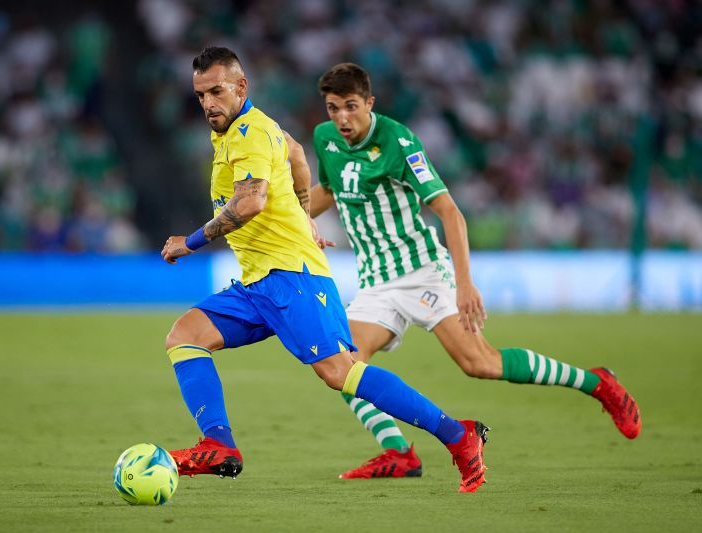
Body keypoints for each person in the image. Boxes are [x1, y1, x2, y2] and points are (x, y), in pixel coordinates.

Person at [161, 47, 490, 493]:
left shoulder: (250, 135)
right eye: (200, 95)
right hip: (259, 281)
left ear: (241, 87)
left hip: (291, 278)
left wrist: (191, 242)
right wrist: (302, 216)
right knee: (185, 337)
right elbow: (297, 154)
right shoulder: (248, 131)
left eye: (216, 91)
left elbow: (252, 202)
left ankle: (459, 436)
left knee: (341, 372)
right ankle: (219, 446)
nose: (207, 103)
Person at [297, 62, 641, 480]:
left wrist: (464, 284)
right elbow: (330, 191)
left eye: (351, 106)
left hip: (423, 271)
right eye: (333, 108)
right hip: (376, 279)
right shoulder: (325, 138)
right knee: (343, 363)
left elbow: (450, 213)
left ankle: (598, 383)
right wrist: (288, 219)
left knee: (480, 362)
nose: (342, 118)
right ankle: (398, 451)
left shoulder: (400, 142)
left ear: (369, 102)